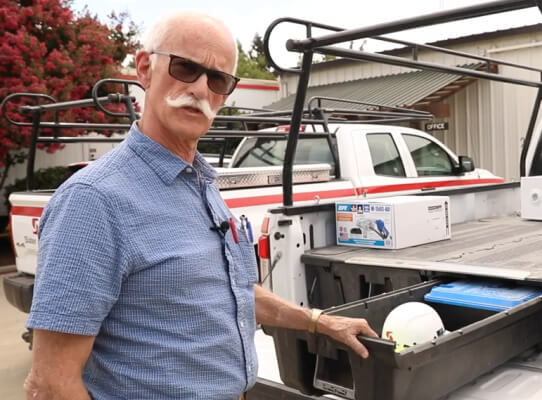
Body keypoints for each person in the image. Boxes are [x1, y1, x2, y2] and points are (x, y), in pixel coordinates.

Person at [23, 12, 377, 400]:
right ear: (145, 68)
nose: (200, 89)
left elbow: (232, 291)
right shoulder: (94, 201)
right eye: (186, 67)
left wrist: (320, 322)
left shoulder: (201, 184)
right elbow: (51, 385)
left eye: (217, 78)